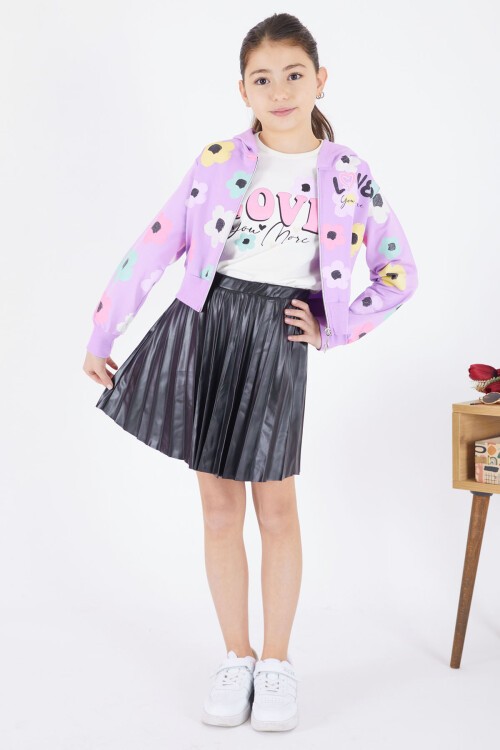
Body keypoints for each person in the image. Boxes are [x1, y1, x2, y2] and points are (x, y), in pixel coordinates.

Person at [83, 12, 418, 733]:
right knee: (217, 507)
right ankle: (236, 655)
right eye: (262, 79)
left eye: (294, 75)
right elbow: (157, 242)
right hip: (206, 325)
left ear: (320, 80)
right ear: (243, 90)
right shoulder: (217, 160)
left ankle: (277, 663)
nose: (280, 91)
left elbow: (397, 271)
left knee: (276, 507)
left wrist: (335, 324)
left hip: (276, 334)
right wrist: (104, 329)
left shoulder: (347, 172)